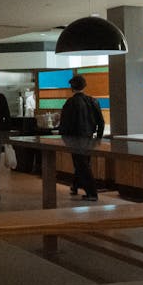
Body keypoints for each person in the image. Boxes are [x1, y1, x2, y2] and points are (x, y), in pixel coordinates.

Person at [58, 73, 106, 202]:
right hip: (89, 138)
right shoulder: (93, 101)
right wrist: (98, 137)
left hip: (74, 139)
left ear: (72, 88)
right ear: (84, 86)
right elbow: (101, 122)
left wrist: (64, 137)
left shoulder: (70, 103)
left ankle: (92, 193)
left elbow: (65, 123)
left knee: (81, 165)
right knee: (83, 163)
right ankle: (75, 185)